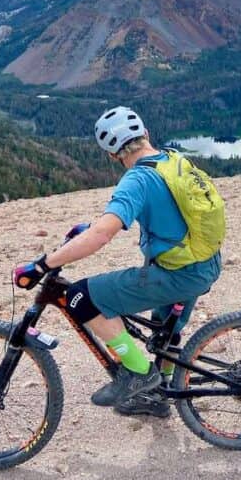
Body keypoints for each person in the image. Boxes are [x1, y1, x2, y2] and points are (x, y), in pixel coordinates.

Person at [13, 107, 224, 417]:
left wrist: (43, 265)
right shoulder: (172, 160)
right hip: (203, 262)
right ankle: (157, 395)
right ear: (146, 134)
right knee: (165, 332)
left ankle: (140, 374)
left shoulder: (136, 180)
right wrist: (91, 228)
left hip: (178, 274)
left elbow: (102, 236)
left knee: (79, 298)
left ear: (112, 155)